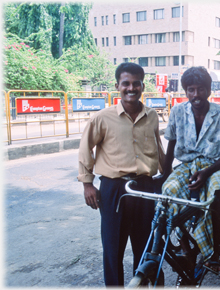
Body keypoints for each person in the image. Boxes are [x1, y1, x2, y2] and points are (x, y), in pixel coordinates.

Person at [77, 62, 166, 286]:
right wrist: (88, 184)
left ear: (142, 86)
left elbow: (158, 148)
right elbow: (85, 148)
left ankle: (142, 285)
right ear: (117, 86)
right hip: (114, 190)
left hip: (145, 188)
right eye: (126, 83)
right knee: (113, 248)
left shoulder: (152, 116)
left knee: (145, 246)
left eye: (136, 84)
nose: (131, 88)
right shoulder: (102, 118)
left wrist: (169, 176)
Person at [158, 66, 220, 275]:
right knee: (169, 192)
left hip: (215, 165)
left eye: (200, 89)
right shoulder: (177, 112)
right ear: (185, 91)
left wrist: (207, 172)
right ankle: (186, 249)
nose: (196, 95)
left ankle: (215, 251)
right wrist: (165, 173)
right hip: (187, 165)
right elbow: (171, 145)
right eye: (191, 89)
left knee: (218, 193)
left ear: (209, 90)